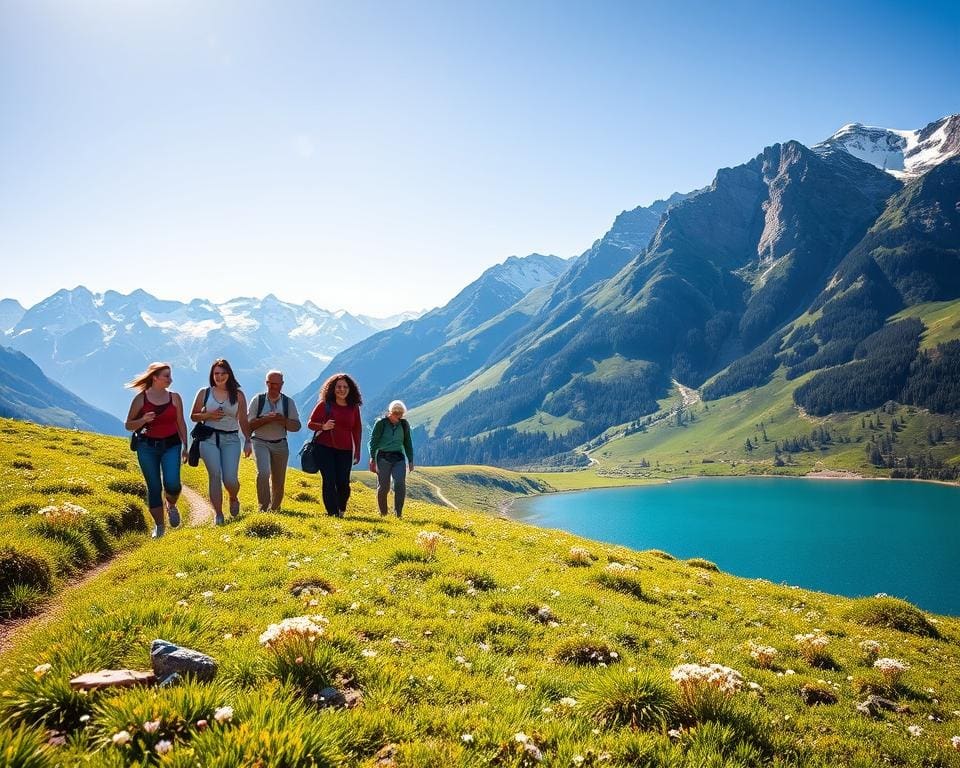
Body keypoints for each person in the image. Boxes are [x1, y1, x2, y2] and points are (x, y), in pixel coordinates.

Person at [124, 362, 188, 538]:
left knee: (173, 483)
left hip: (172, 445)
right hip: (146, 446)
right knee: (153, 486)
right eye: (166, 376)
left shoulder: (174, 397)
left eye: (170, 375)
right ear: (155, 377)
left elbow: (180, 422)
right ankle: (159, 527)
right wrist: (143, 419)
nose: (170, 379)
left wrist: (186, 446)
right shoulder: (140, 399)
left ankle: (172, 505)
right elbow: (128, 425)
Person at [190, 358, 252, 525]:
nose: (219, 376)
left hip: (231, 438)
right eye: (216, 373)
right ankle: (218, 514)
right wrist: (209, 415)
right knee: (215, 475)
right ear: (212, 375)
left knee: (230, 479)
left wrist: (248, 440)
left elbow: (244, 420)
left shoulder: (238, 395)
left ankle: (233, 497)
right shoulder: (205, 392)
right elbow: (193, 415)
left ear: (229, 374)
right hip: (208, 438)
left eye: (223, 373)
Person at [307, 373, 362, 517]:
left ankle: (341, 508)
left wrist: (357, 452)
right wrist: (323, 426)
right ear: (332, 388)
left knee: (343, 483)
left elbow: (357, 429)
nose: (342, 389)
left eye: (345, 387)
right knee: (329, 480)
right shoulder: (324, 404)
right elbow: (310, 424)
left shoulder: (354, 407)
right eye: (338, 387)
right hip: (324, 447)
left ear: (350, 389)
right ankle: (332, 513)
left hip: (345, 449)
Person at [247, 369, 301, 511]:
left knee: (278, 480)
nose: (274, 387)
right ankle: (263, 507)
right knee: (263, 473)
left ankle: (275, 508)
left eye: (277, 384)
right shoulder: (257, 400)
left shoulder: (288, 403)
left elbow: (296, 426)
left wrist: (281, 420)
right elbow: (248, 426)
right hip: (259, 441)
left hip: (280, 444)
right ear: (266, 383)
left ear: (282, 384)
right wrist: (265, 419)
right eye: (271, 384)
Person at [368, 400, 415, 517]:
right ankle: (383, 513)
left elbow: (407, 442)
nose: (397, 415)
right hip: (383, 457)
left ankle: (398, 513)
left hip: (398, 457)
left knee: (399, 483)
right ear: (390, 412)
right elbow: (373, 441)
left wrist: (410, 460)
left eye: (400, 413)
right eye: (395, 412)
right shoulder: (381, 423)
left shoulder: (404, 424)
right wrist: (372, 458)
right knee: (384, 487)